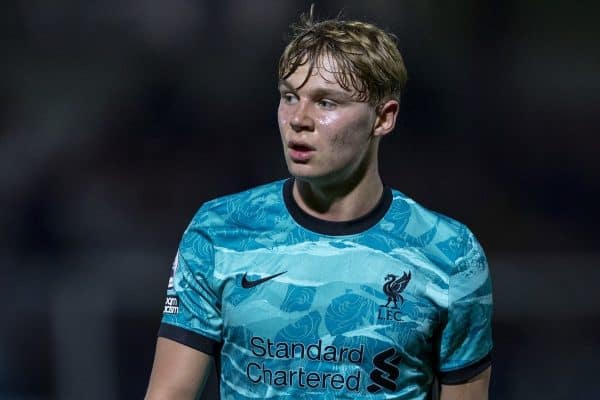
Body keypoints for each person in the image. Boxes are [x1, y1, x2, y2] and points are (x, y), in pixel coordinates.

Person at [145, 9, 493, 400]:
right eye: (289, 97)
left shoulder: (450, 253)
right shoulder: (220, 231)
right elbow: (169, 393)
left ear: (384, 117)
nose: (298, 119)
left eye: (326, 102)